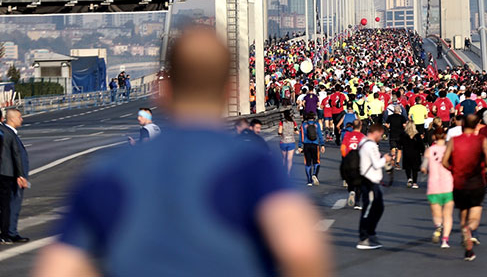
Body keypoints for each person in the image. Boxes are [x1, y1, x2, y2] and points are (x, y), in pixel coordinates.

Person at [34, 26, 329, 277]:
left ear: (162, 91)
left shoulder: (108, 171)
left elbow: (57, 267)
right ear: (229, 90)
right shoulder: (251, 165)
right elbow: (300, 249)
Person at [443, 115, 487, 261]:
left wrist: (453, 169)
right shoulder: (480, 140)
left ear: (462, 125)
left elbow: (444, 161)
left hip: (459, 182)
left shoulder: (454, 141)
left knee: (463, 212)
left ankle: (465, 234)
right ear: (476, 126)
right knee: (474, 214)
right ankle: (470, 230)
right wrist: (486, 164)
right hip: (476, 182)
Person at [357, 124, 393, 250]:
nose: (381, 137)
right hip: (369, 181)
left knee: (378, 207)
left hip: (369, 180)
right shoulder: (370, 145)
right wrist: (386, 159)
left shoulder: (363, 142)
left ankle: (370, 233)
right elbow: (377, 164)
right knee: (369, 208)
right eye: (381, 134)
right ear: (376, 132)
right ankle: (364, 237)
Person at [421, 125, 454, 248]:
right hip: (448, 185)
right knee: (448, 214)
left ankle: (438, 226)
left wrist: (427, 170)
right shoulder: (449, 150)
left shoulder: (429, 151)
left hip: (433, 185)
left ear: (434, 137)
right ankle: (445, 240)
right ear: (445, 136)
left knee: (436, 213)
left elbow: (423, 167)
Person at [0, 108, 29, 244]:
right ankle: (9, 233)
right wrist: (20, 175)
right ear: (12, 119)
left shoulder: (8, 133)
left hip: (10, 175)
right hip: (10, 176)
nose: (21, 119)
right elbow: (15, 156)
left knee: (9, 205)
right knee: (10, 204)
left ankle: (10, 232)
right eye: (20, 117)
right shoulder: (7, 134)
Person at [340, 120, 365, 209]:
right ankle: (357, 203)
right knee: (360, 182)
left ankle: (351, 191)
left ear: (352, 126)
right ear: (360, 126)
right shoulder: (363, 137)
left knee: (349, 179)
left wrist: (345, 157)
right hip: (359, 161)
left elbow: (343, 148)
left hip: (349, 160)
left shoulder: (347, 135)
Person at [298, 112, 325, 186]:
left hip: (306, 145)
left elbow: (301, 136)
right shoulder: (317, 125)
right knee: (316, 161)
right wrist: (322, 144)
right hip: (315, 145)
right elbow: (320, 134)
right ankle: (315, 174)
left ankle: (309, 181)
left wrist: (300, 146)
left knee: (308, 163)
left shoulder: (303, 125)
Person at [400, 121, 424, 188]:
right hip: (416, 153)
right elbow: (421, 145)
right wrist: (422, 152)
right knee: (415, 169)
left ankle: (409, 178)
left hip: (406, 153)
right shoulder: (417, 135)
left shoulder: (403, 135)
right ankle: (415, 183)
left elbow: (400, 143)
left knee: (408, 167)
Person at [278, 110, 298, 176]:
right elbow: (296, 131)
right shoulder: (293, 122)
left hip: (283, 141)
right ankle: (288, 173)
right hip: (291, 141)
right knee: (289, 159)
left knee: (284, 158)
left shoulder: (282, 122)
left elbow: (279, 132)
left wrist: (283, 134)